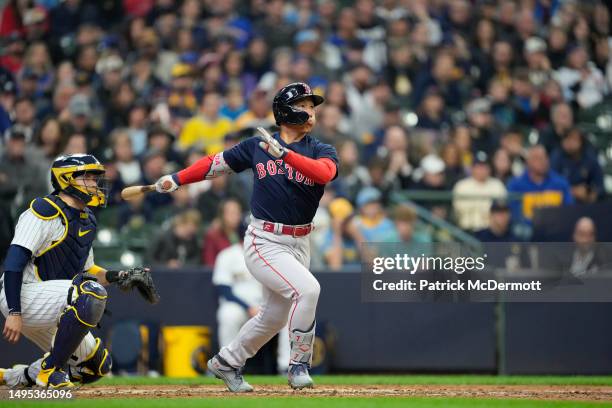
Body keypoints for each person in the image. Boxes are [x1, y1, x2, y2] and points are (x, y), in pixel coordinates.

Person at [154, 82, 338, 391]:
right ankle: (298, 365)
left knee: (274, 317)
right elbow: (216, 164)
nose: (311, 111)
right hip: (265, 239)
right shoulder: (257, 146)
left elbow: (325, 174)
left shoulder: (321, 148)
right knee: (307, 290)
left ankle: (227, 361)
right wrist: (177, 179)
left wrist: (287, 156)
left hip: (300, 241)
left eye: (312, 106)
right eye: (305, 105)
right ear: (285, 110)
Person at [0, 154, 158, 389]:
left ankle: (13, 377)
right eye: (88, 177)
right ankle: (49, 370)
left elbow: (88, 270)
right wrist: (14, 311)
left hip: (55, 301)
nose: (95, 183)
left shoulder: (87, 218)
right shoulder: (43, 210)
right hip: (21, 296)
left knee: (97, 366)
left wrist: (119, 276)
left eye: (96, 178)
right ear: (66, 179)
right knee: (89, 292)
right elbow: (13, 262)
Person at [212, 227, 289, 374]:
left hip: (266, 304)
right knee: (228, 314)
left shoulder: (270, 253)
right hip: (238, 305)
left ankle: (286, 366)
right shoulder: (227, 255)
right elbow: (224, 291)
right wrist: (248, 307)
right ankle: (228, 365)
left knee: (289, 315)